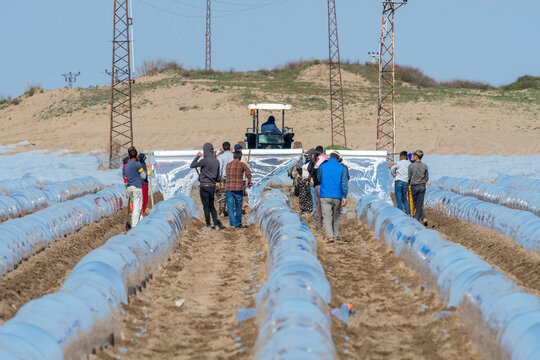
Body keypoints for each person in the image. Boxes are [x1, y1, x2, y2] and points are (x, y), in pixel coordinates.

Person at [190, 143, 224, 230]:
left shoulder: (205, 160)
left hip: (204, 185)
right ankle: (216, 224)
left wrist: (197, 156)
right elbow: (217, 176)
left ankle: (208, 224)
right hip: (212, 186)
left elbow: (192, 165)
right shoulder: (216, 161)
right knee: (211, 205)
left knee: (206, 206)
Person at [317, 151, 348, 243]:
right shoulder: (342, 168)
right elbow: (344, 184)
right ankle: (335, 235)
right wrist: (344, 196)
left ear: (329, 157)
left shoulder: (322, 166)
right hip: (337, 195)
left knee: (327, 216)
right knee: (336, 216)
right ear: (338, 158)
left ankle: (330, 236)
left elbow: (319, 178)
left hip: (325, 194)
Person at [225, 151, 252, 228]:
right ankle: (238, 223)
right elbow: (248, 171)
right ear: (240, 157)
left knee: (230, 207)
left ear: (233, 157)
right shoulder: (242, 164)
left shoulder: (228, 165)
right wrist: (249, 180)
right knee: (238, 206)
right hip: (238, 188)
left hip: (228, 188)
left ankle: (233, 223)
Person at [307, 146, 328, 230]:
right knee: (323, 205)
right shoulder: (324, 162)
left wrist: (311, 178)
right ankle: (323, 222)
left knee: (317, 204)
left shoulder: (314, 161)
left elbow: (310, 170)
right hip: (322, 186)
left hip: (316, 185)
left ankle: (318, 223)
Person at [124, 148, 146, 227]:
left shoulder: (126, 165)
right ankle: (134, 226)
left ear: (129, 156)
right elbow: (143, 175)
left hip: (129, 187)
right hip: (137, 187)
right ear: (136, 156)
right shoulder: (137, 164)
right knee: (137, 207)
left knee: (137, 205)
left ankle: (141, 223)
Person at [408, 150, 429, 225]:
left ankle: (416, 220)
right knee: (419, 203)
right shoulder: (425, 166)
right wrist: (423, 182)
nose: (412, 156)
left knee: (416, 204)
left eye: (414, 155)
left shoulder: (411, 166)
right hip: (422, 186)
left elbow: (409, 176)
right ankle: (423, 218)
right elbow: (427, 177)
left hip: (414, 186)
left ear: (416, 156)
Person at [217, 142, 234, 217]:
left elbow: (220, 168)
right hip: (233, 177)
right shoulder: (234, 156)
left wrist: (218, 177)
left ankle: (222, 211)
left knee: (223, 194)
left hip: (224, 177)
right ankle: (232, 210)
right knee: (232, 194)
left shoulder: (221, 157)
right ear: (229, 147)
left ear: (223, 148)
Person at [391, 151, 411, 215]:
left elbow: (392, 169)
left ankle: (401, 212)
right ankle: (408, 212)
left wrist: (393, 174)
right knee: (404, 197)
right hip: (405, 182)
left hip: (399, 180)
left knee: (398, 197)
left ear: (401, 157)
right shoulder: (409, 163)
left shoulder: (399, 163)